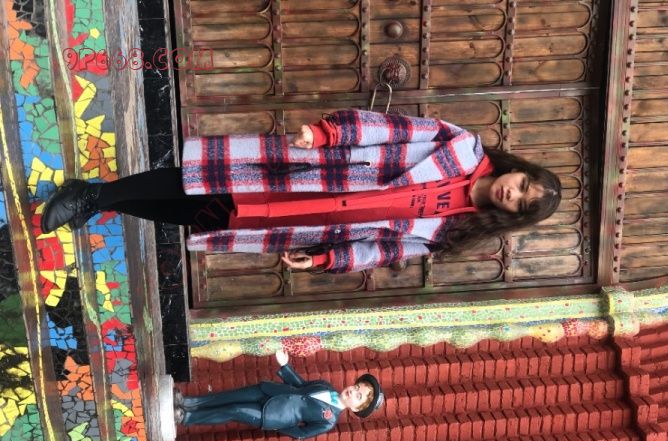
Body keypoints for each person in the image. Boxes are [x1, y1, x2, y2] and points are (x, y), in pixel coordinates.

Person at [40, 109, 561, 273]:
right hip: (313, 173)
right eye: (522, 185)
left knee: (199, 217)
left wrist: (327, 259)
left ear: (515, 216)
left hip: (309, 220)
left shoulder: (455, 231)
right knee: (196, 183)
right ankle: (94, 197)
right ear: (518, 170)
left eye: (521, 203)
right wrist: (328, 132)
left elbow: (380, 252)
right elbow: (389, 128)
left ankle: (108, 202)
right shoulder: (461, 146)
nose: (513, 194)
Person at [173, 349, 384, 439]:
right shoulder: (325, 386)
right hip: (271, 391)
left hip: (272, 415)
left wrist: (280, 424)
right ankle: (189, 402)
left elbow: (301, 434)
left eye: (358, 397)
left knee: (235, 410)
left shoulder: (328, 421)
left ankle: (188, 417)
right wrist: (285, 366)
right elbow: (300, 385)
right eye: (357, 387)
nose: (353, 391)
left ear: (356, 408)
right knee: (229, 396)